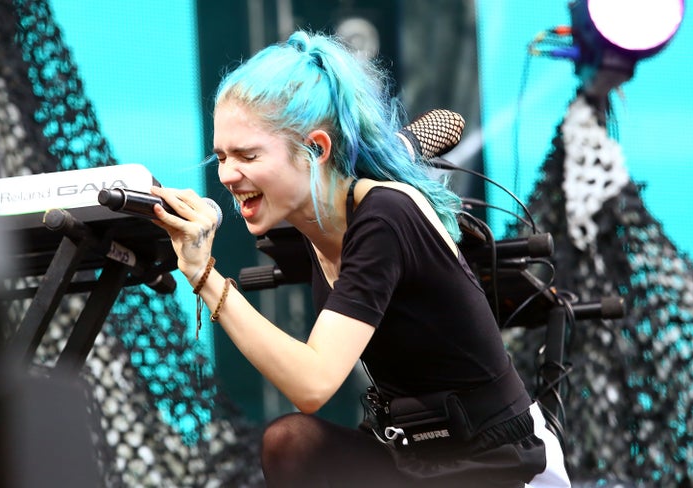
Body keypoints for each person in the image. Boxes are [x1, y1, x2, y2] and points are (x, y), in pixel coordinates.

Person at [151, 30, 570, 487]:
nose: (229, 175)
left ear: (316, 149)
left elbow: (313, 385)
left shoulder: (385, 216)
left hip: (498, 461)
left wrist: (203, 274)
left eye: (247, 155)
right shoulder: (322, 210)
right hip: (413, 458)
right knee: (291, 444)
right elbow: (427, 133)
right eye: (221, 157)